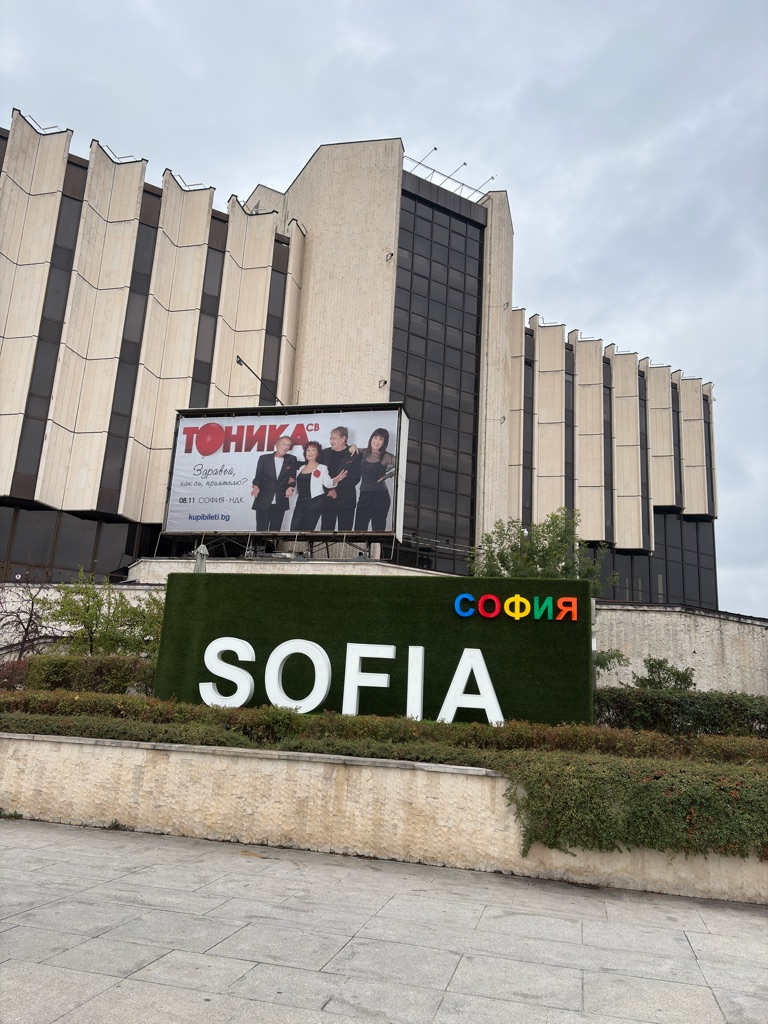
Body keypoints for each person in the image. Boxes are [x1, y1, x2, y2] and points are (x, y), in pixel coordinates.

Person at [290, 441, 348, 532]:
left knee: (307, 531)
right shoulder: (301, 468)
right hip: (300, 501)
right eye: (308, 450)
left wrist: (335, 479)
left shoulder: (322, 468)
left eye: (313, 450)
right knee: (294, 529)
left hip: (315, 502)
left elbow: (327, 483)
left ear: (318, 454)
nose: (310, 452)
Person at [251, 435, 297, 531]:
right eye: (284, 444)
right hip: (263, 500)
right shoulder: (264, 458)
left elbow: (292, 477)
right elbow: (258, 476)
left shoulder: (291, 459)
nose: (286, 447)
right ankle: (259, 542)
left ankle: (273, 542)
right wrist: (256, 486)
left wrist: (291, 487)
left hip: (280, 501)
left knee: (275, 531)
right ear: (277, 444)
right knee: (260, 531)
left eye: (288, 445)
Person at [319, 426, 362, 531]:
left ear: (343, 438)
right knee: (325, 532)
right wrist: (330, 489)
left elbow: (355, 478)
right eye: (330, 438)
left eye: (334, 438)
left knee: (345, 533)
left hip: (346, 500)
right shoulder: (325, 453)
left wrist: (335, 489)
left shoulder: (354, 454)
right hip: (328, 498)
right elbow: (319, 474)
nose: (331, 441)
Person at [354, 428, 396, 532]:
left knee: (378, 530)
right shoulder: (363, 452)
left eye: (380, 439)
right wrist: (353, 446)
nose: (377, 441)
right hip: (364, 495)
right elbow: (350, 449)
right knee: (359, 530)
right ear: (371, 438)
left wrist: (389, 475)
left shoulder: (387, 456)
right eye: (375, 437)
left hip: (380, 497)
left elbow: (404, 466)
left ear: (384, 442)